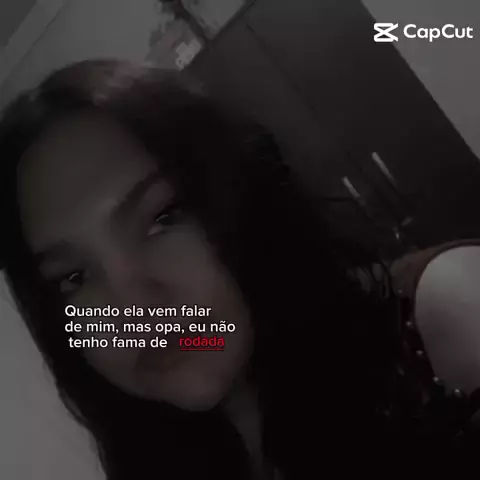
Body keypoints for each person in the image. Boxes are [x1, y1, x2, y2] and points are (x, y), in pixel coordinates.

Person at [0, 59, 478, 479]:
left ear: (239, 195)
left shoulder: (441, 317)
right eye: (73, 278)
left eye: (164, 217)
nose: (133, 310)